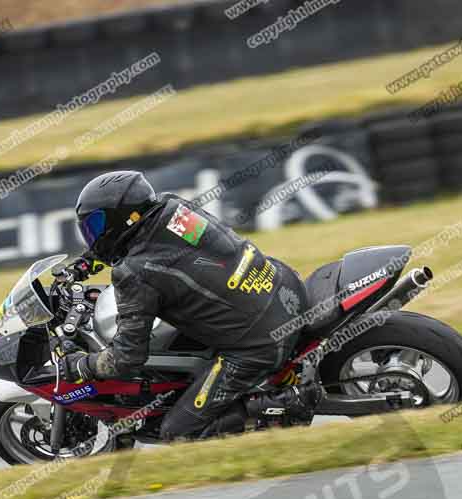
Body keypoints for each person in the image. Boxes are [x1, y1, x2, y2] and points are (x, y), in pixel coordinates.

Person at [61, 170, 323, 440]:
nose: (94, 234)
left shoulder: (133, 273)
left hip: (261, 340)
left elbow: (126, 359)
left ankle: (290, 402)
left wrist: (83, 366)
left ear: (124, 217)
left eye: (97, 225)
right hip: (281, 286)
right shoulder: (173, 209)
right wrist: (84, 263)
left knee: (178, 433)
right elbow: (137, 245)